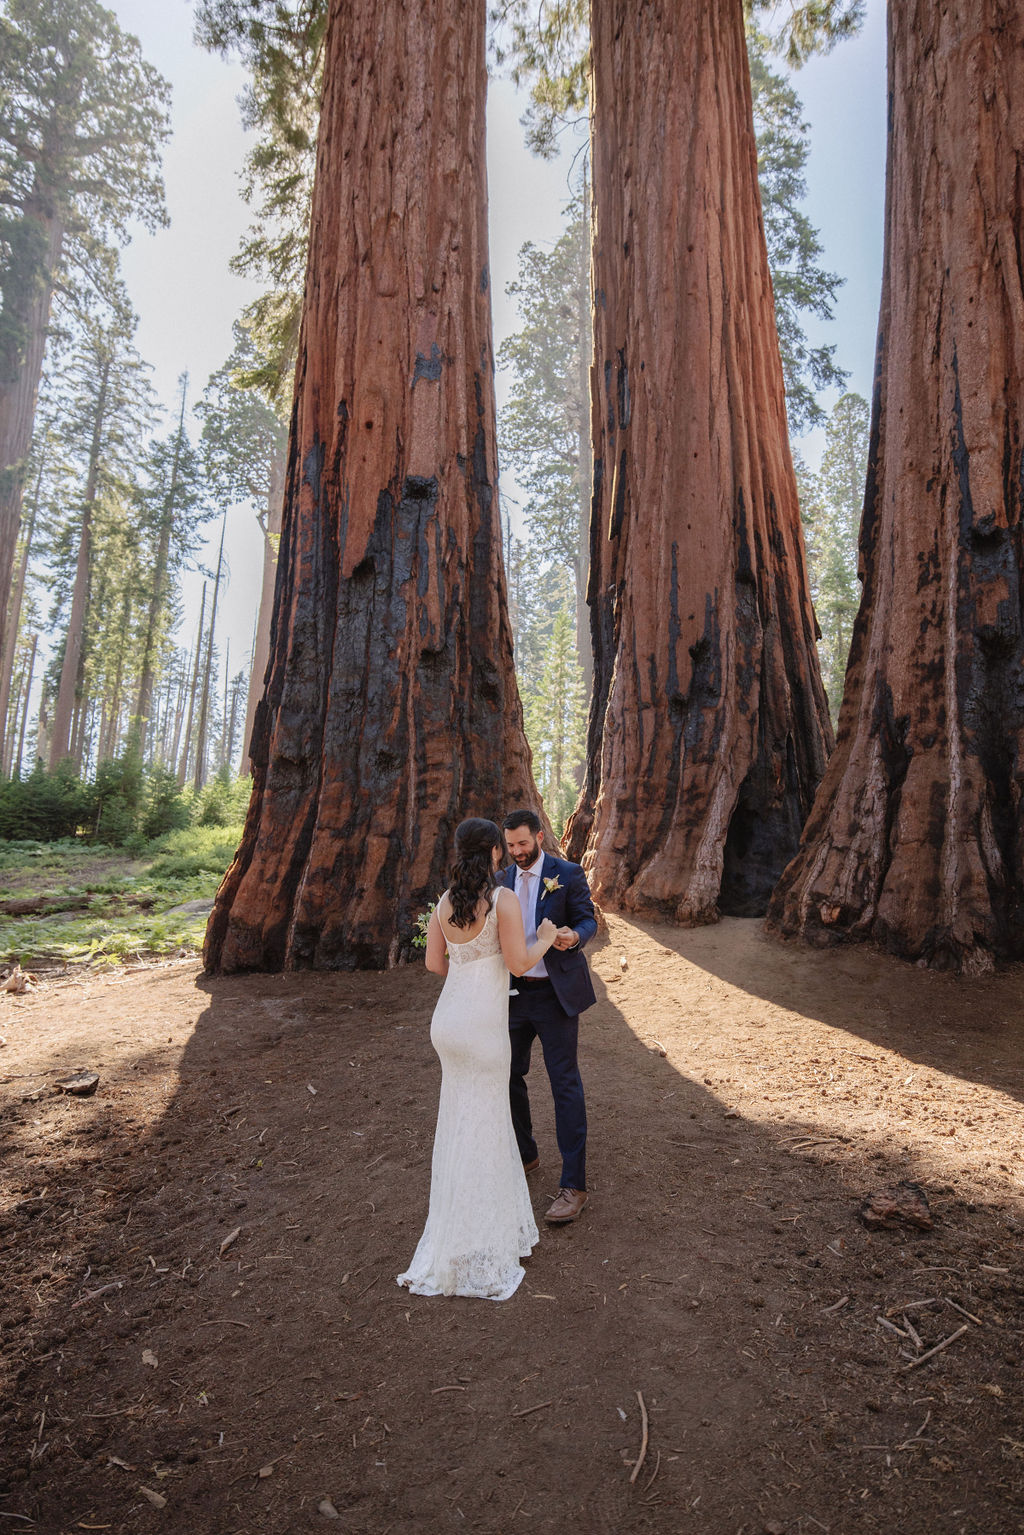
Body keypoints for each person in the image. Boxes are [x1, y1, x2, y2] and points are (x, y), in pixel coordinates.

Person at [397, 818, 558, 1301]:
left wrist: (468, 968)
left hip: (448, 1024)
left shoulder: (446, 902)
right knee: (486, 1123)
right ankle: (485, 1237)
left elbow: (433, 964)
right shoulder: (503, 899)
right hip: (485, 1028)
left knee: (459, 1121)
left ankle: (457, 1226)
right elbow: (519, 963)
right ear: (493, 852)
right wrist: (546, 935)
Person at [501, 809, 597, 1225]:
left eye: (523, 843)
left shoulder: (568, 873)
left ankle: (574, 1185)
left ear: (539, 836)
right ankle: (526, 1155)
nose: (518, 852)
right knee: (505, 1073)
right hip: (514, 995)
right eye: (510, 846)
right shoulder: (502, 880)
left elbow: (587, 919)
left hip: (556, 996)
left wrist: (575, 936)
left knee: (564, 1084)